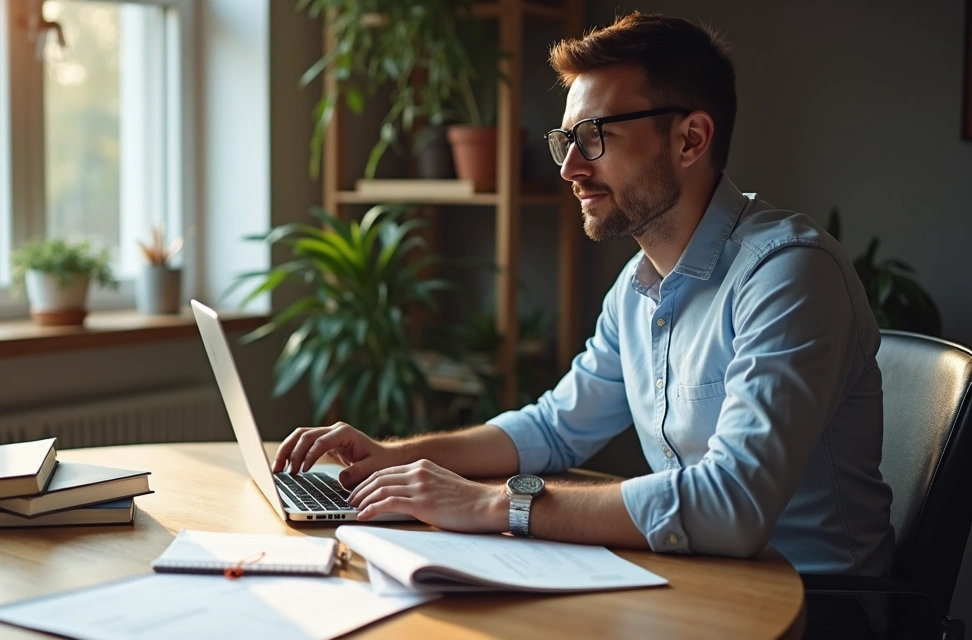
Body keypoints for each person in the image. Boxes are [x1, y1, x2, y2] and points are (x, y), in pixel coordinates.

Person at [277, 12, 893, 634]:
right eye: (566, 139)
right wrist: (395, 458)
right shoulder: (635, 287)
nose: (570, 167)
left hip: (818, 609)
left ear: (690, 139)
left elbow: (732, 506)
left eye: (594, 136)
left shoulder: (787, 273)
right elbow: (552, 429)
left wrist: (495, 505)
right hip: (695, 582)